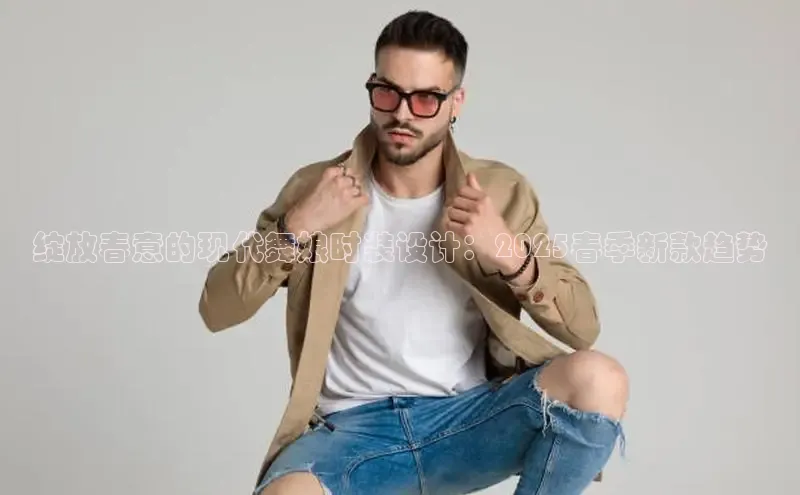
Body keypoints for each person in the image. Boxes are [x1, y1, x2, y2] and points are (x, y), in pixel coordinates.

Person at [199, 10, 628, 495]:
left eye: (426, 98)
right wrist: (296, 227)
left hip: (467, 422)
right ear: (371, 88)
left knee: (600, 379)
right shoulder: (318, 189)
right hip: (352, 432)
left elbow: (583, 328)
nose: (402, 114)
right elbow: (217, 308)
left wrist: (510, 255)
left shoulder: (499, 193)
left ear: (455, 102)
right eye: (388, 92)